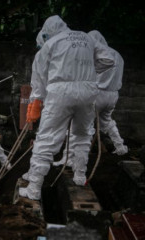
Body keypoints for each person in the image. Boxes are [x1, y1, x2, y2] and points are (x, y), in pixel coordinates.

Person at [20, 15, 115, 200]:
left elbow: (38, 77)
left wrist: (36, 100)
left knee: (47, 139)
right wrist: (88, 72)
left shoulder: (51, 44)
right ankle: (80, 176)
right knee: (82, 135)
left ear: (48, 32)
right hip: (88, 91)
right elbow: (109, 59)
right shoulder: (87, 38)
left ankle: (34, 187)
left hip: (60, 92)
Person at [54, 30, 128, 169]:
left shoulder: (95, 53)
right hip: (113, 95)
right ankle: (120, 146)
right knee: (106, 121)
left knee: (78, 127)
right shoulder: (118, 55)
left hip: (96, 94)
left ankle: (69, 159)